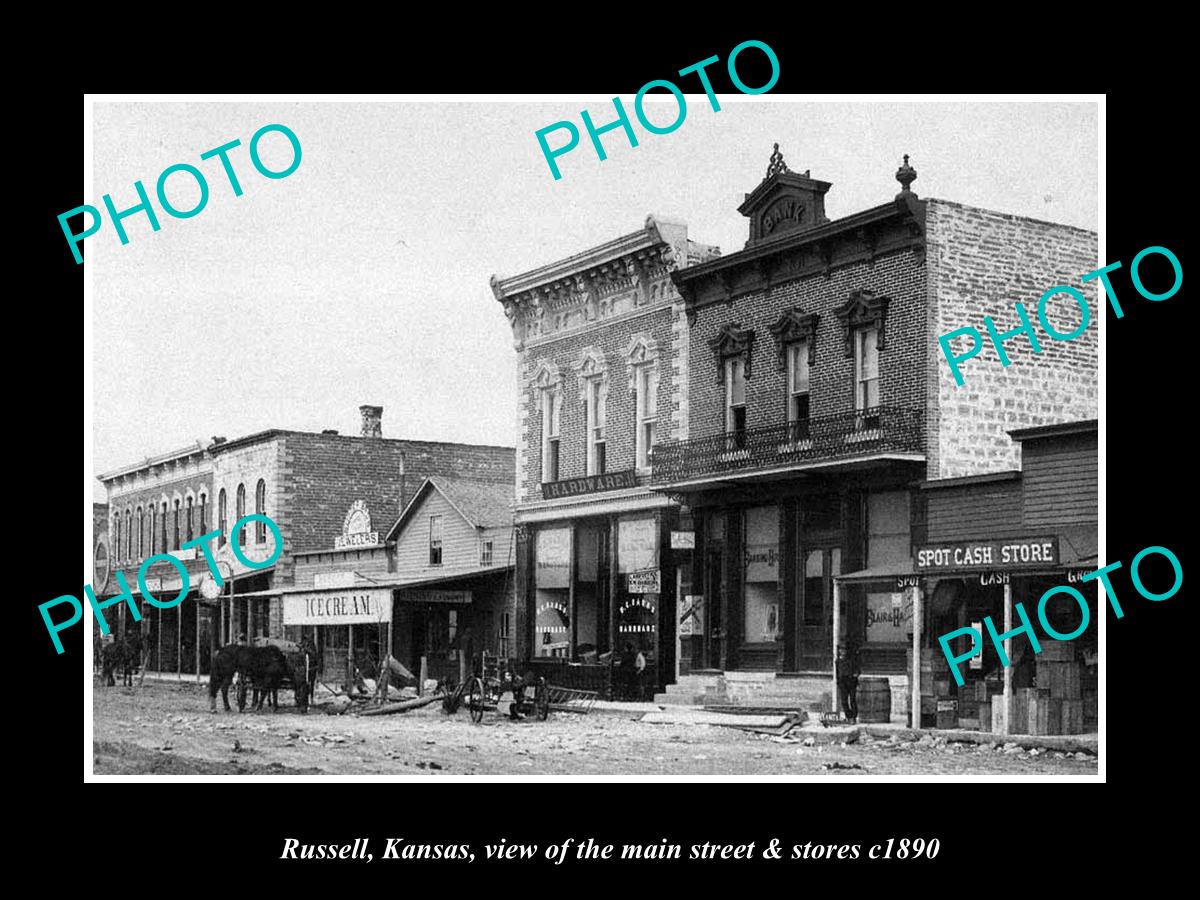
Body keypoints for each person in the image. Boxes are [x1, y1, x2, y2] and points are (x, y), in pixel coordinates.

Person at [836, 643, 861, 723]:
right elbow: (837, 673)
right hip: (842, 682)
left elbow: (857, 670)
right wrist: (838, 682)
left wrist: (855, 675)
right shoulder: (838, 661)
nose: (842, 651)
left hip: (851, 681)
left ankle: (853, 716)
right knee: (844, 701)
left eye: (844, 650)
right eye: (841, 650)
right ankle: (848, 716)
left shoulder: (851, 660)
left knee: (852, 700)